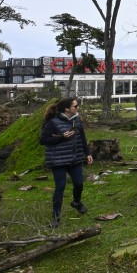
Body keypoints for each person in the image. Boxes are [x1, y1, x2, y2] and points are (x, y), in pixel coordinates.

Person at [39, 97, 92, 227]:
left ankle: (76, 202)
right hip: (58, 160)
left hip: (75, 159)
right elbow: (43, 140)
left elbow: (82, 138)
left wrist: (88, 153)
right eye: (75, 106)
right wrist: (62, 137)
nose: (78, 108)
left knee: (79, 184)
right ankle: (56, 218)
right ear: (67, 109)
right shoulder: (53, 122)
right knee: (60, 187)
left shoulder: (77, 120)